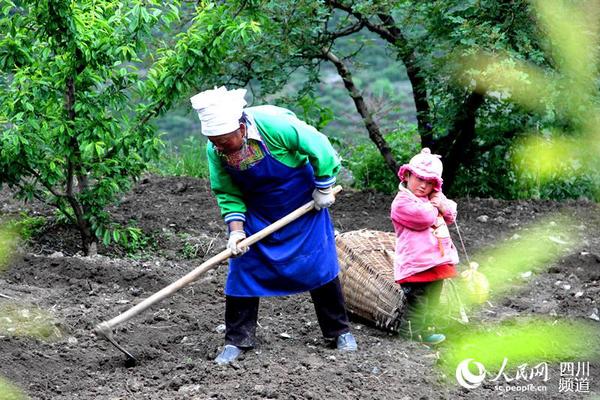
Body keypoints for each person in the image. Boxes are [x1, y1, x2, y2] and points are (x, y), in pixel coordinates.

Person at [190, 86, 357, 365]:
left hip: (304, 203)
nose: (219, 147)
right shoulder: (215, 150)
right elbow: (227, 192)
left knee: (319, 263)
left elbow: (319, 146)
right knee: (243, 268)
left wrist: (324, 186)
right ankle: (236, 340)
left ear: (241, 129)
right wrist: (236, 231)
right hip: (258, 210)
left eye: (224, 141)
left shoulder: (275, 125)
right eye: (213, 141)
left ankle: (339, 331)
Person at [390, 148, 459, 345]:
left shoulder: (431, 199)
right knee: (418, 302)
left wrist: (441, 203)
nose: (423, 186)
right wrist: (435, 205)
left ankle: (428, 332)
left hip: (435, 260)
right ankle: (409, 337)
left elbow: (451, 214)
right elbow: (425, 218)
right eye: (419, 179)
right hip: (416, 263)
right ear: (408, 175)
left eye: (429, 183)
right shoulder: (402, 202)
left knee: (432, 300)